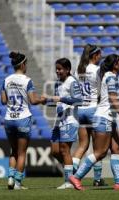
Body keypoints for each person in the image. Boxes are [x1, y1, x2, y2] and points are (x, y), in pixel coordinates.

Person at [69, 54, 119, 190]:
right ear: (115, 65)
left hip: (108, 117)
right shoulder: (111, 77)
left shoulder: (111, 76)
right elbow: (113, 98)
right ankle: (76, 177)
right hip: (103, 117)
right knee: (100, 152)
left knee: (117, 149)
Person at [1, 52, 46, 190]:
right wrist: (42, 99)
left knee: (13, 151)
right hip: (23, 119)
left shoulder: (6, 80)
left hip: (9, 119)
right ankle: (18, 183)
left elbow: (3, 101)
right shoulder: (27, 80)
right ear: (23, 64)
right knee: (22, 152)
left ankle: (10, 178)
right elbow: (33, 100)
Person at [72, 44, 107, 186]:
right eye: (99, 54)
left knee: (82, 145)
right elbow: (100, 91)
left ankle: (70, 175)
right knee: (97, 148)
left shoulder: (78, 69)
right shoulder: (97, 70)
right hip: (93, 108)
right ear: (95, 55)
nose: (101, 57)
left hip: (81, 109)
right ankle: (97, 179)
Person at [46, 58, 83, 189]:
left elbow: (79, 100)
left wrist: (61, 99)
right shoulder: (57, 83)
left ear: (67, 69)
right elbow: (57, 101)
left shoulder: (72, 82)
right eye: (56, 68)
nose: (58, 71)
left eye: (60, 69)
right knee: (55, 151)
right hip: (59, 120)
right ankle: (72, 172)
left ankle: (69, 181)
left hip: (70, 119)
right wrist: (44, 100)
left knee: (65, 150)